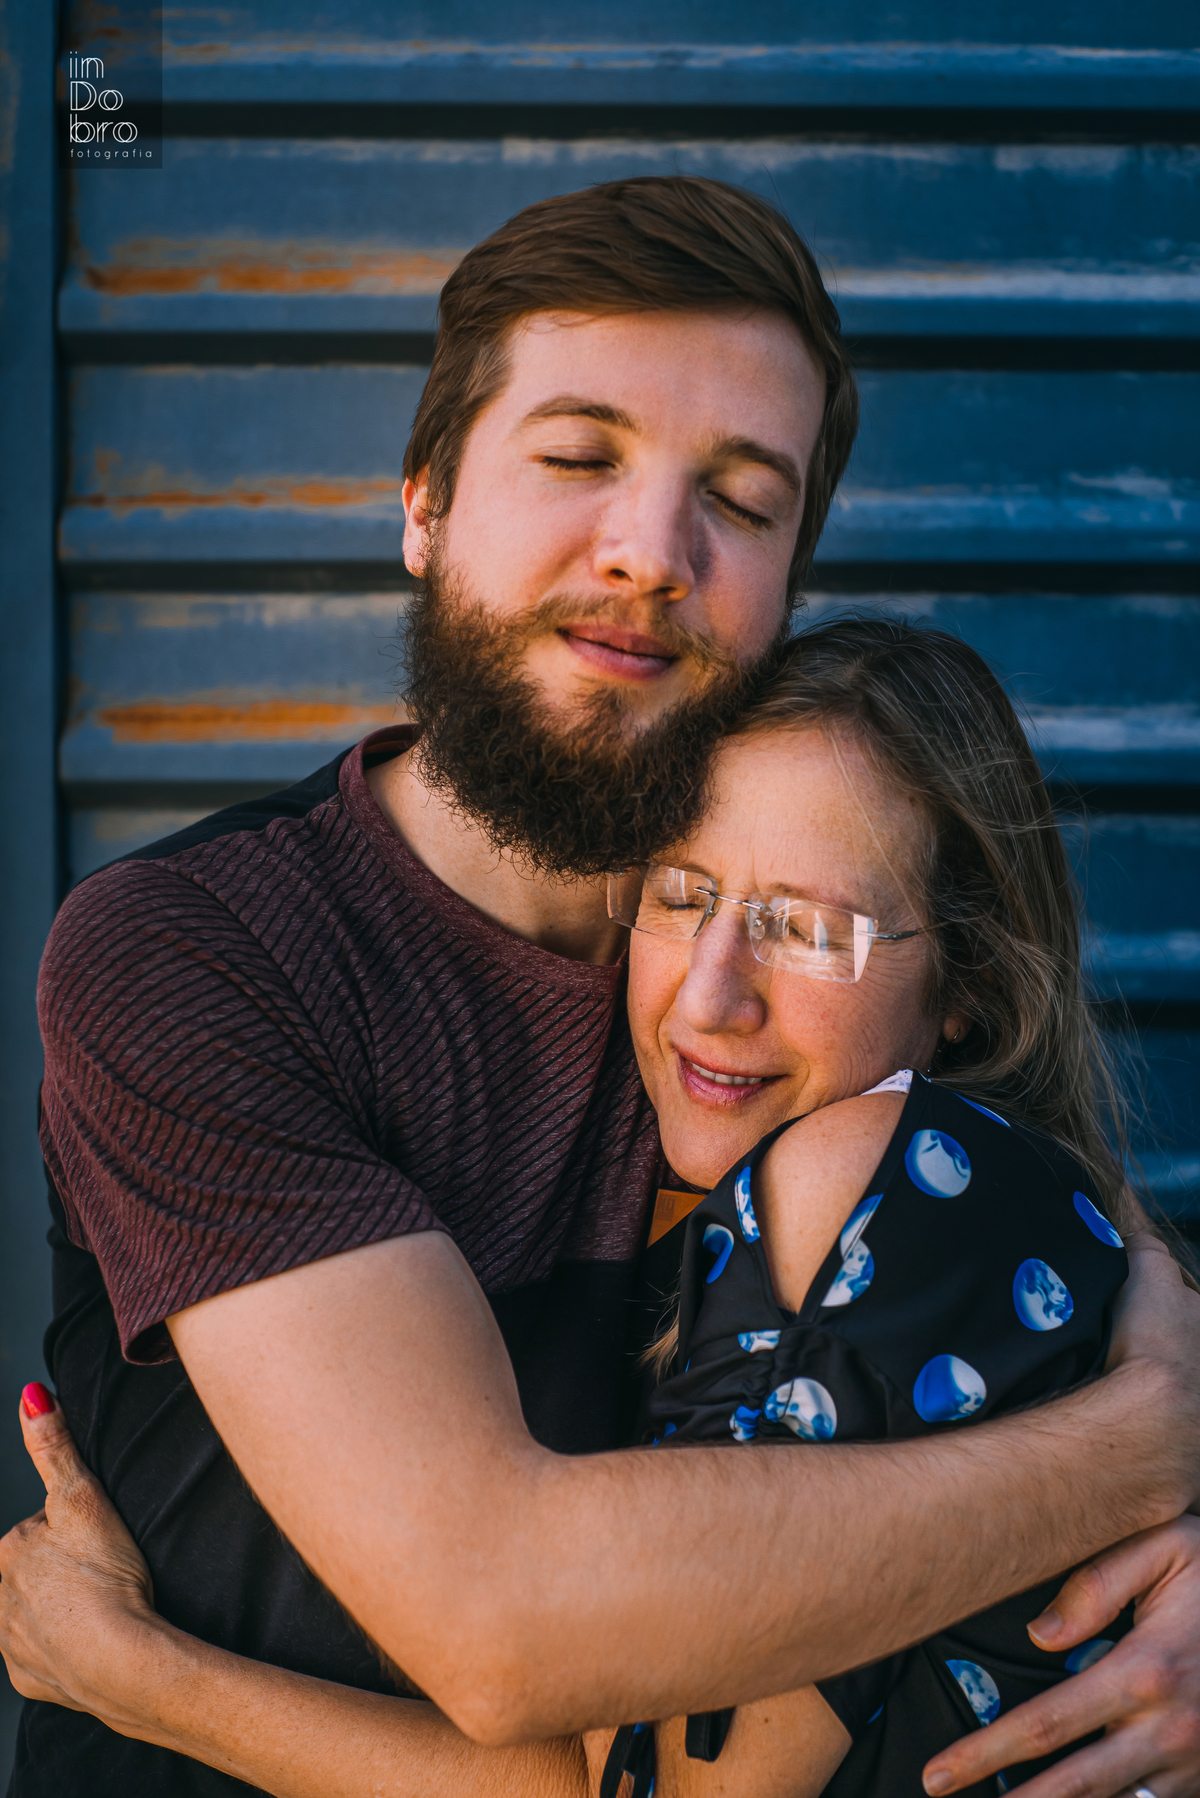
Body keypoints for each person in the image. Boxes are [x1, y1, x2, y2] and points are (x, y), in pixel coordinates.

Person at [6, 177, 1200, 1797]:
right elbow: (503, 1619)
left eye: (743, 498)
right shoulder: (203, 951)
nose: (651, 552)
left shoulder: (782, 1025)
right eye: (578, 458)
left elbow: (1042, 1228)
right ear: (424, 503)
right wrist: (1140, 1445)